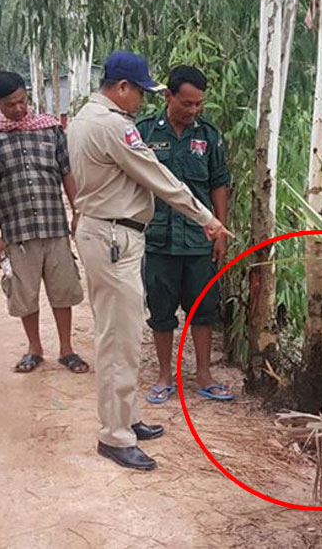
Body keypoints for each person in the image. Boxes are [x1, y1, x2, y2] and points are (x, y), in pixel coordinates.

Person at [68, 51, 233, 471]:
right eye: (140, 91)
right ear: (122, 87)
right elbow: (159, 178)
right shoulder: (113, 126)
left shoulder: (85, 118)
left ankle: (127, 416)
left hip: (108, 232)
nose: (143, 100)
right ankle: (115, 435)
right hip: (113, 235)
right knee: (118, 339)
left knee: (121, 333)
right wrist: (207, 219)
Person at [0, 71, 87, 375]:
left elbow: (66, 172)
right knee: (25, 294)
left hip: (54, 226)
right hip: (17, 232)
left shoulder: (50, 131)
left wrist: (77, 211)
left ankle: (67, 349)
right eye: (11, 104)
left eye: (22, 101)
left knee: (63, 290)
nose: (19, 108)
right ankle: (34, 348)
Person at [137, 66, 232, 405]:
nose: (194, 110)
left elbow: (218, 182)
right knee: (161, 310)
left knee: (203, 308)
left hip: (198, 239)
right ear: (168, 96)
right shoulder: (144, 131)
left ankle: (204, 375)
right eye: (187, 103)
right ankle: (165, 376)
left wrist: (220, 230)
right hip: (158, 238)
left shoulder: (208, 135)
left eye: (199, 104)